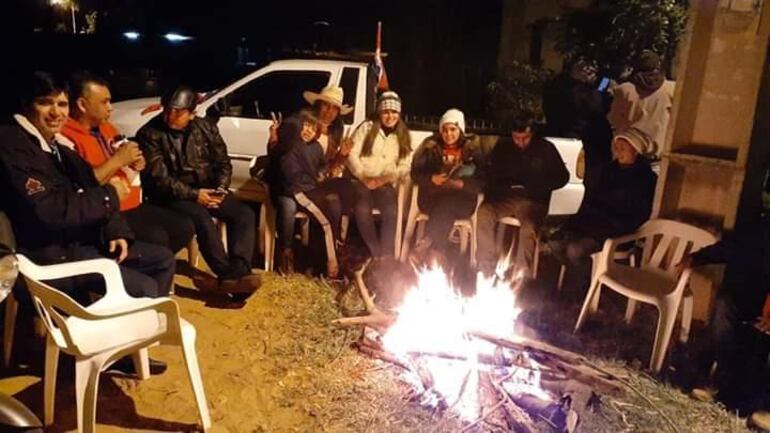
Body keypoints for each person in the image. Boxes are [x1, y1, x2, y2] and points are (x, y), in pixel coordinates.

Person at [0, 71, 174, 374]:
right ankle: (105, 352)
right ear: (27, 106)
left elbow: (91, 186)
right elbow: (51, 212)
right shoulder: (13, 145)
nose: (56, 112)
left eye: (61, 104)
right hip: (46, 256)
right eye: (45, 103)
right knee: (143, 286)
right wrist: (111, 196)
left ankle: (126, 345)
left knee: (161, 260)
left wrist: (115, 229)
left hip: (77, 242)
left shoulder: (56, 145)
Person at [136, 85, 260, 301]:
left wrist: (221, 189)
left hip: (208, 190)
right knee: (201, 218)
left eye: (178, 112)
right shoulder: (150, 134)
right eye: (168, 109)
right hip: (172, 196)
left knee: (244, 214)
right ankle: (227, 274)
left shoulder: (205, 128)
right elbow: (160, 180)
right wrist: (195, 195)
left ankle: (240, 273)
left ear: (192, 113)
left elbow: (223, 163)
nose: (170, 116)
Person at [61, 72, 195, 254]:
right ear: (82, 105)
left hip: (130, 203)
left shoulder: (106, 127)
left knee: (184, 226)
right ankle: (141, 263)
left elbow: (128, 156)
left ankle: (155, 263)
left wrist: (137, 161)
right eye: (104, 102)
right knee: (157, 238)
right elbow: (82, 183)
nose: (110, 108)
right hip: (104, 211)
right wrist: (118, 160)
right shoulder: (66, 137)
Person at [677, 214, 770, 417]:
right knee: (724, 305)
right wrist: (696, 258)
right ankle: (721, 382)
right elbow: (730, 248)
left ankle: (762, 405)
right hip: (753, 301)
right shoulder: (760, 229)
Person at [547, 128, 656, 280]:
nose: (618, 152)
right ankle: (578, 276)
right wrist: (574, 222)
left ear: (636, 151)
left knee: (575, 250)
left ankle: (586, 284)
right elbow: (591, 199)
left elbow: (637, 216)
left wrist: (607, 222)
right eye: (616, 147)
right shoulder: (608, 170)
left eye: (623, 148)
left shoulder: (646, 179)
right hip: (591, 222)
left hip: (615, 230)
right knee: (555, 242)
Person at [266, 85, 353, 274]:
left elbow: (325, 167)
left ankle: (322, 258)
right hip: (289, 183)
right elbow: (279, 153)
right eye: (326, 106)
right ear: (318, 104)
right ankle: (286, 255)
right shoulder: (298, 123)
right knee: (288, 205)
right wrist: (274, 138)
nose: (329, 111)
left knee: (334, 203)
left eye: (334, 108)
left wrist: (342, 156)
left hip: (313, 183)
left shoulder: (335, 131)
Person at [476, 113, 569, 277]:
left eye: (525, 138)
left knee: (528, 227)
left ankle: (520, 276)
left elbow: (562, 177)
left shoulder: (545, 149)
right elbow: (491, 172)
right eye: (516, 138)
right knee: (484, 213)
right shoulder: (504, 147)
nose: (520, 142)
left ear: (532, 134)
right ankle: (486, 269)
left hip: (533, 201)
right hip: (506, 198)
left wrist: (537, 185)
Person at [410, 108, 483, 264]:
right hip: (432, 196)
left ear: (460, 130)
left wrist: (462, 184)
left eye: (452, 129)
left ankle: (427, 242)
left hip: (463, 199)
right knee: (445, 205)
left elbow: (484, 179)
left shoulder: (472, 150)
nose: (448, 134)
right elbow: (415, 173)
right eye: (445, 130)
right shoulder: (430, 146)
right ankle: (436, 252)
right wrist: (431, 179)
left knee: (448, 203)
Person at [281, 109, 347, 277]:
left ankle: (323, 260)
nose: (308, 130)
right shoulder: (291, 147)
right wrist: (313, 179)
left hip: (313, 189)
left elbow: (322, 165)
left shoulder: (316, 147)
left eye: (312, 128)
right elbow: (293, 174)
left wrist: (323, 173)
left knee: (334, 205)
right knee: (326, 222)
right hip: (300, 191)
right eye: (305, 125)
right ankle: (332, 267)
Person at [347, 91, 412, 259]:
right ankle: (375, 251)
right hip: (362, 180)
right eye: (386, 112)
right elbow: (352, 154)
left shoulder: (403, 135)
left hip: (385, 183)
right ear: (379, 112)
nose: (390, 116)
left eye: (394, 112)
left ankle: (386, 255)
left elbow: (405, 165)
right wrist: (363, 176)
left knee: (392, 211)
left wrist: (388, 177)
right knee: (362, 209)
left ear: (399, 113)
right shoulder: (367, 128)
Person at [607, 50, 675, 159]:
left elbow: (613, 120)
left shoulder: (624, 90)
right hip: (659, 157)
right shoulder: (672, 89)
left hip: (628, 156)